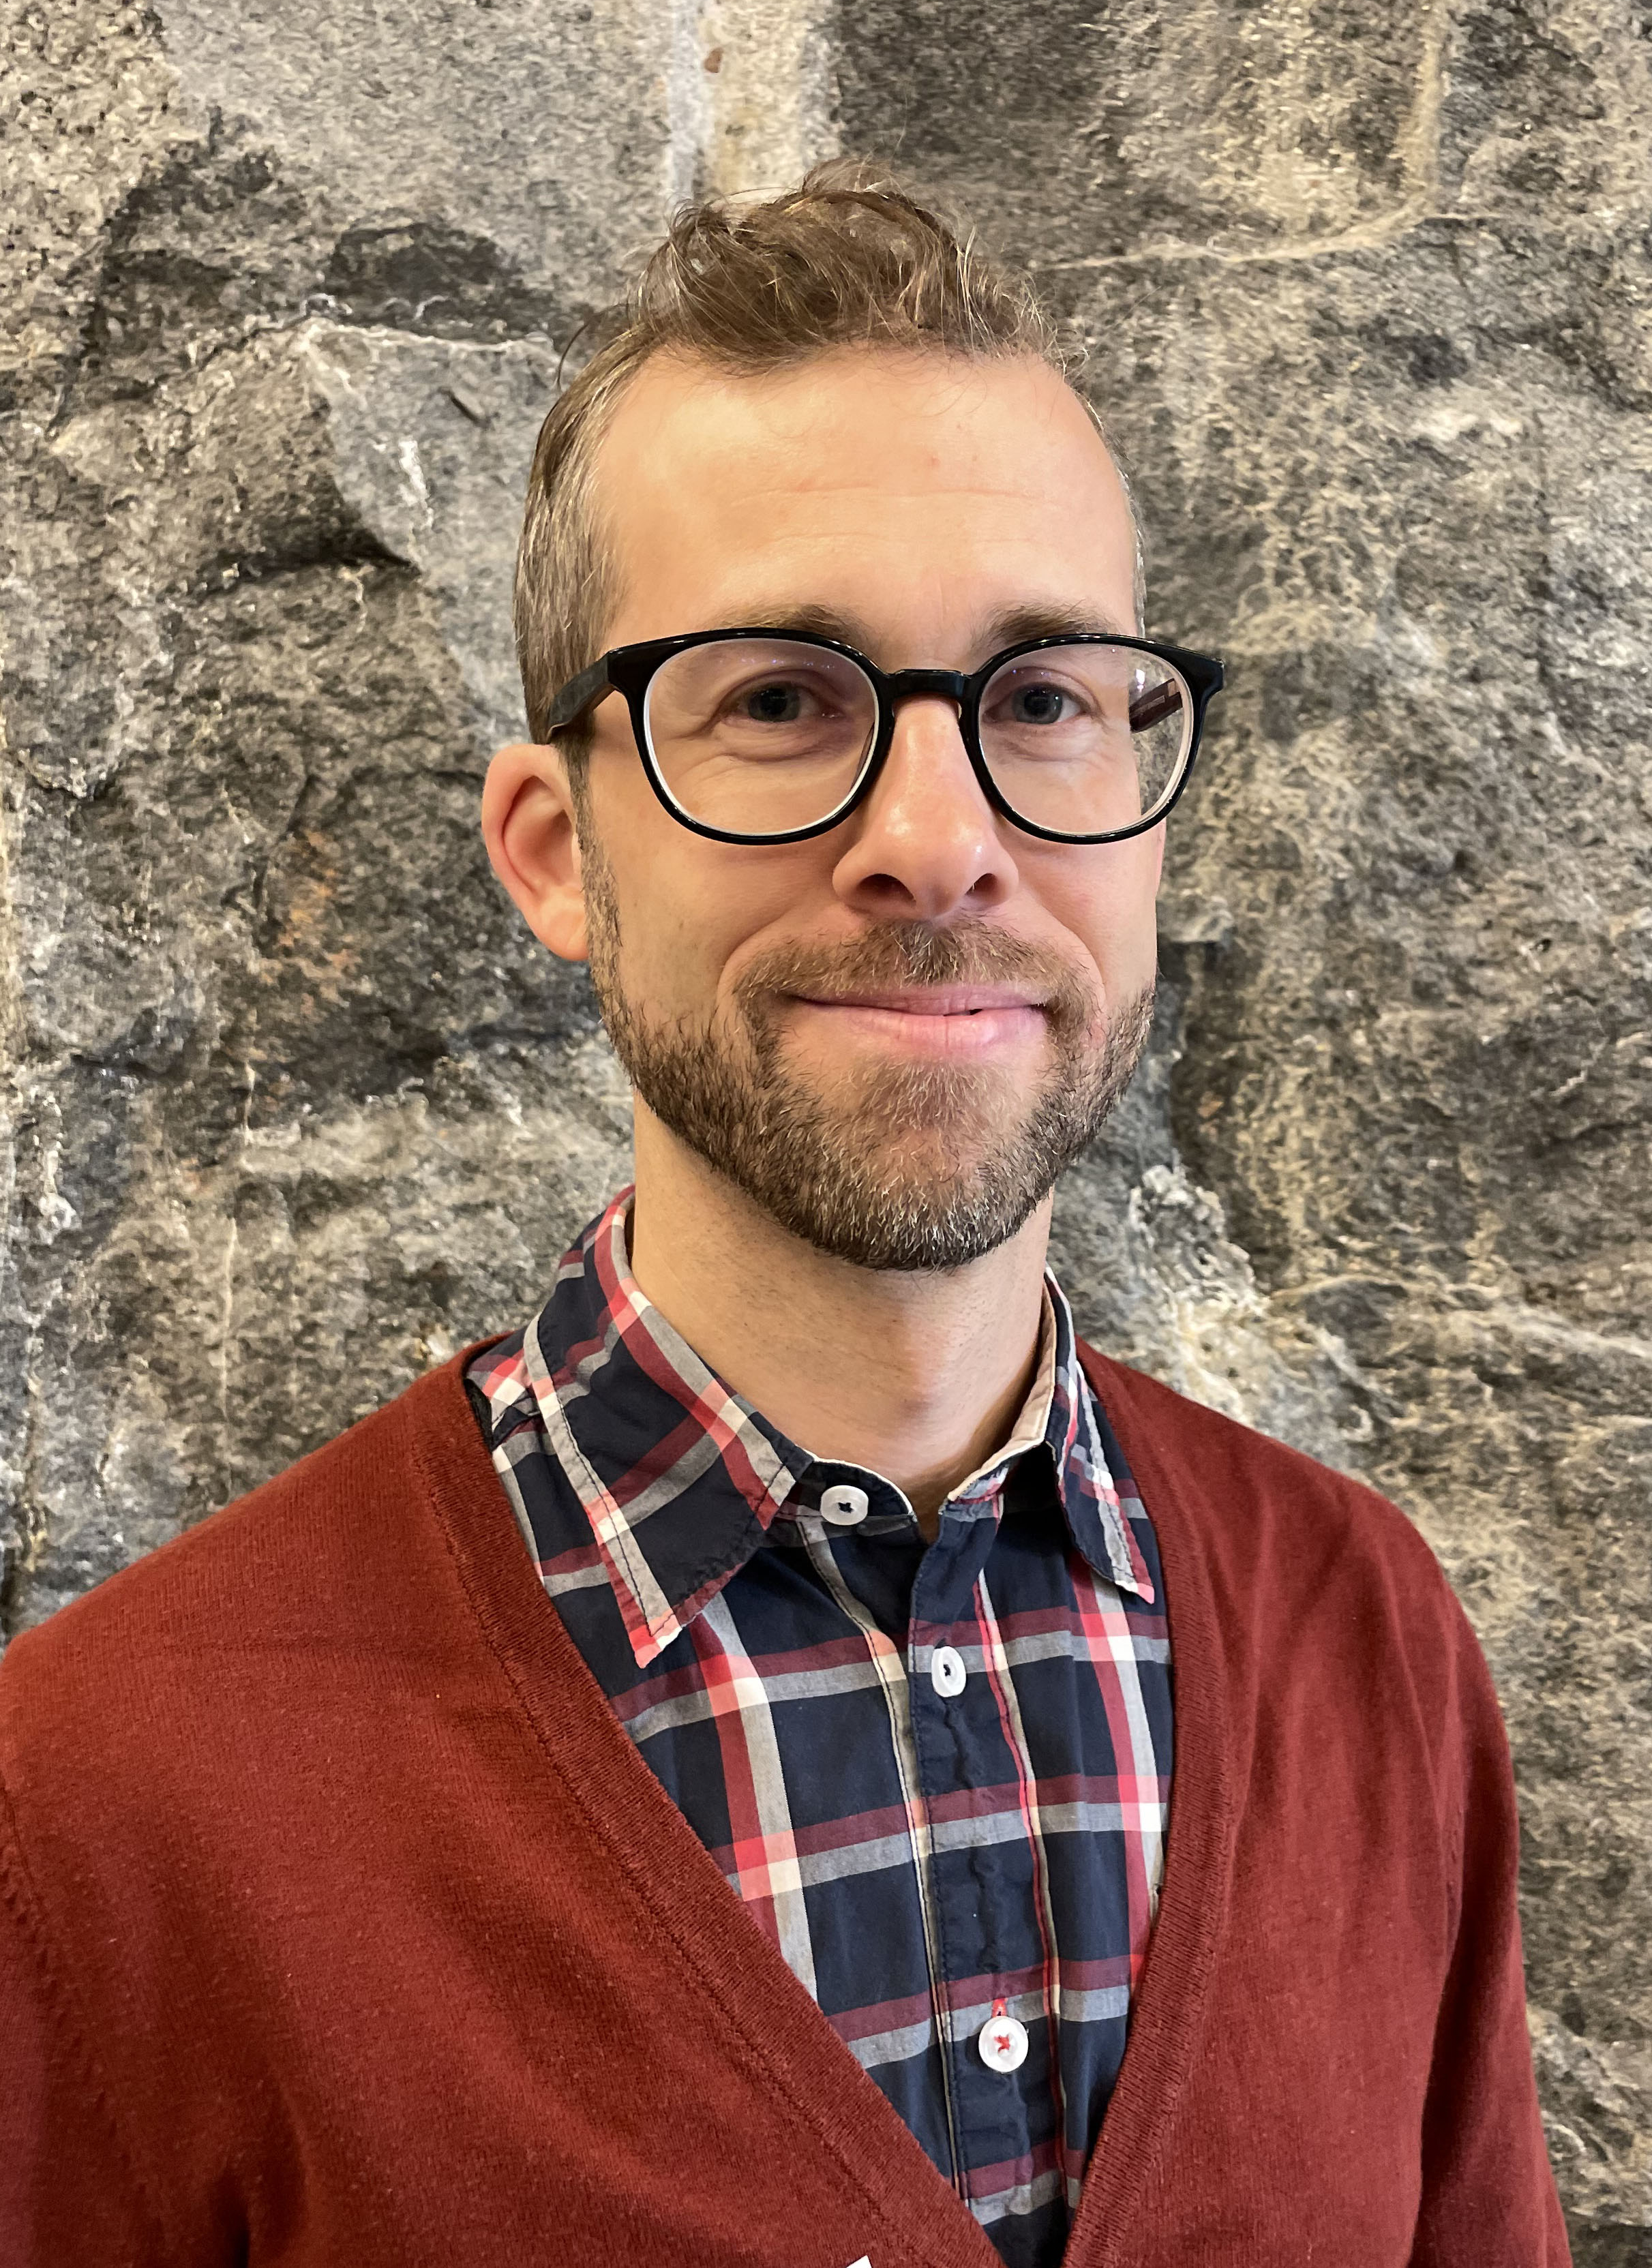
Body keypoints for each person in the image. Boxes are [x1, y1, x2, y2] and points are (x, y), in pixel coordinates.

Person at [0, 162, 1569, 2268]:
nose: (940, 843)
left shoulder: (1363, 1636)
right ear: (554, 851)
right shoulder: (107, 1803)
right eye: (775, 700)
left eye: (1040, 700)